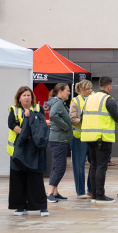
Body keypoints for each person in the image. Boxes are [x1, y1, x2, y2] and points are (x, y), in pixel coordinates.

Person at [82, 76, 118, 204]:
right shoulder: (108, 99)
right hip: (102, 138)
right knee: (101, 167)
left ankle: (95, 195)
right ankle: (100, 196)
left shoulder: (89, 99)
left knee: (94, 166)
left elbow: (82, 116)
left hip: (89, 137)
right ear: (109, 87)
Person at [7, 86, 49, 216]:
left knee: (35, 179)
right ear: (19, 98)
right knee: (18, 179)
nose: (26, 97)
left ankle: (41, 206)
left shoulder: (38, 109)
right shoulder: (14, 110)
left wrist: (30, 120)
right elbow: (12, 125)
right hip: (18, 150)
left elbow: (42, 124)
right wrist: (26, 132)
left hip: (33, 151)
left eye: (28, 95)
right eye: (24, 95)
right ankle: (20, 206)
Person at [45, 83, 73, 203]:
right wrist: (66, 126)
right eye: (67, 90)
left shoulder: (58, 103)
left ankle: (55, 192)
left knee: (57, 166)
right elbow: (52, 115)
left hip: (58, 139)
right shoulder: (58, 103)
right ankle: (50, 192)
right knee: (60, 167)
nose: (69, 92)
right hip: (58, 140)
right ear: (60, 92)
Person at [69, 80, 93, 199]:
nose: (90, 91)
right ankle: (80, 192)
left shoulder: (94, 99)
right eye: (88, 89)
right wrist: (84, 121)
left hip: (92, 137)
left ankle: (91, 189)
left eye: (91, 88)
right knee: (79, 165)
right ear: (82, 90)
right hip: (79, 138)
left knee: (94, 164)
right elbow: (72, 119)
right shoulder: (75, 101)